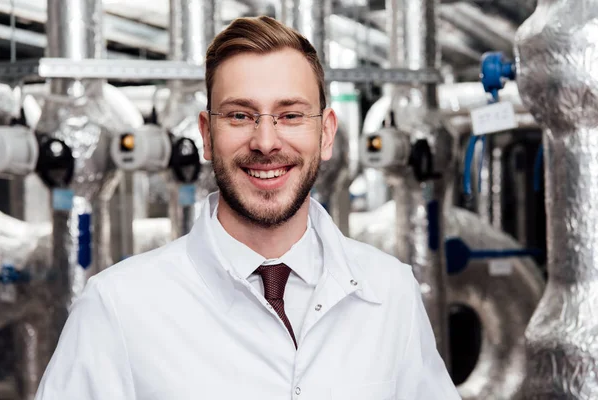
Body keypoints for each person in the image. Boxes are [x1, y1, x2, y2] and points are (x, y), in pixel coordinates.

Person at [35, 16, 460, 400]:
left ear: (327, 134)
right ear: (206, 133)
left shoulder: (390, 293)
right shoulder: (117, 309)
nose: (266, 142)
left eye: (290, 115)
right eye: (240, 116)